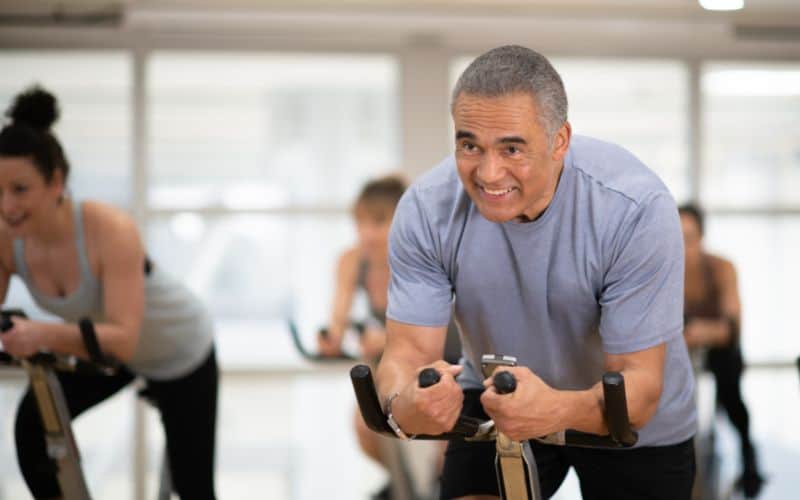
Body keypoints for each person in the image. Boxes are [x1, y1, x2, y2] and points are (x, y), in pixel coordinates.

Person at [374, 45, 697, 500]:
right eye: (470, 145)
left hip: (629, 422)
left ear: (560, 140)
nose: (488, 173)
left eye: (512, 148)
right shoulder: (428, 209)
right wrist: (409, 403)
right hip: (497, 398)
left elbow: (638, 386)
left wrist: (557, 408)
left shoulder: (633, 208)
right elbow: (406, 355)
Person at [0, 86, 218, 500]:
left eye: (20, 189)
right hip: (104, 348)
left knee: (194, 490)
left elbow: (123, 337)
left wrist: (39, 333)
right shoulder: (6, 240)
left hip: (177, 349)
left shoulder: (109, 230)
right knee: (34, 427)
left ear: (56, 182)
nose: (7, 205)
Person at [319, 176, 460, 499]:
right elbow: (337, 318)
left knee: (447, 446)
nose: (366, 233)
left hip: (443, 355)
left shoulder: (420, 258)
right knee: (367, 425)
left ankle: (431, 485)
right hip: (397, 362)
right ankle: (406, 485)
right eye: (360, 222)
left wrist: (386, 339)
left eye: (378, 222)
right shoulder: (352, 261)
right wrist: (332, 338)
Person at [679, 203, 764, 498]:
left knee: (731, 393)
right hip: (682, 343)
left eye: (689, 237)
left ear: (701, 238)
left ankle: (748, 454)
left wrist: (702, 331)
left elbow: (731, 325)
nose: (683, 246)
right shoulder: (664, 267)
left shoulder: (721, 267)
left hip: (720, 345)